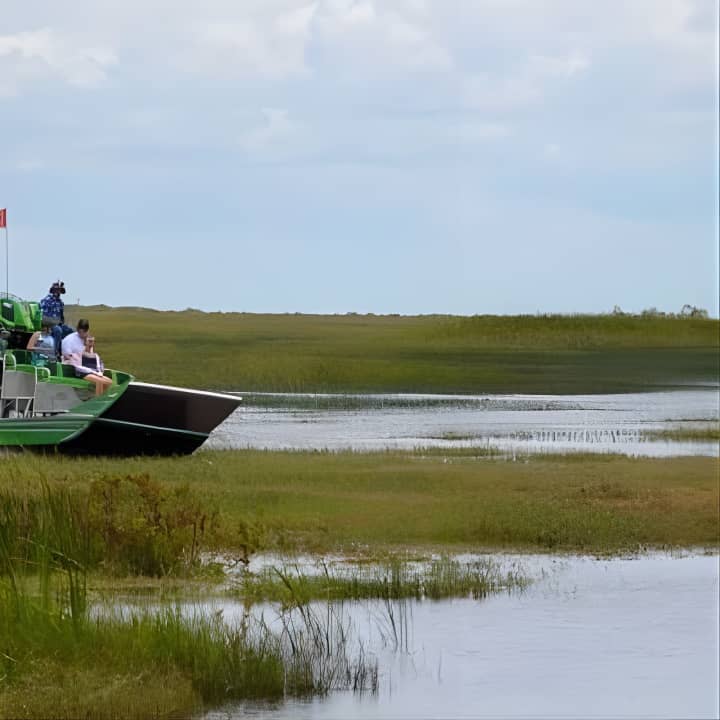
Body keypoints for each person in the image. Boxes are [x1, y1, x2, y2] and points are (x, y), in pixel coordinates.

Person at [62, 319, 112, 396]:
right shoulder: (68, 340)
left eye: (84, 332)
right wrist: (79, 356)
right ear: (78, 330)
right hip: (76, 369)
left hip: (88, 367)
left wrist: (89, 346)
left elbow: (89, 356)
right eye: (80, 332)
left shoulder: (87, 339)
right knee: (99, 381)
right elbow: (67, 358)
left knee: (109, 382)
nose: (83, 335)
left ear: (87, 330)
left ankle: (103, 399)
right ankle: (97, 401)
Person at [39, 280, 73, 358]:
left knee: (70, 331)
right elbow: (43, 316)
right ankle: (54, 353)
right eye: (57, 290)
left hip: (58, 323)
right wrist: (51, 324)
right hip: (49, 324)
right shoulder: (46, 300)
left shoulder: (60, 302)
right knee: (58, 330)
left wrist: (62, 322)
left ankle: (65, 353)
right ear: (53, 290)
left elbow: (61, 317)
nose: (58, 292)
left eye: (60, 290)